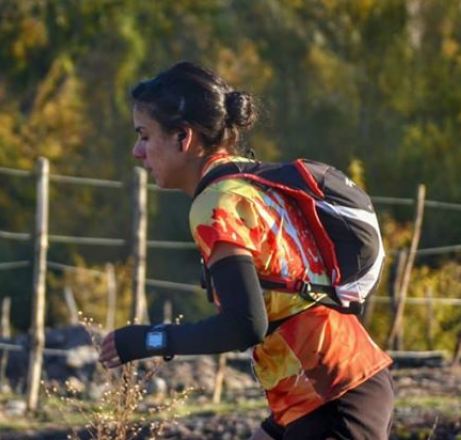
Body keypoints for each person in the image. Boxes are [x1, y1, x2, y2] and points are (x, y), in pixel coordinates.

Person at [98, 61, 395, 440]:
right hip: (321, 389)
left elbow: (244, 325)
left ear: (182, 138)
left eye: (144, 135)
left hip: (331, 393)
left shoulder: (216, 204)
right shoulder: (252, 184)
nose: (137, 152)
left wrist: (147, 340)